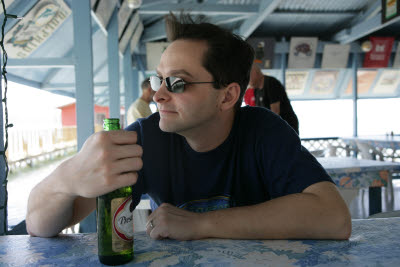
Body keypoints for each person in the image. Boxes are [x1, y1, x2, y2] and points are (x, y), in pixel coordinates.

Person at [26, 13, 351, 241]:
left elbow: (334, 218)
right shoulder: (143, 138)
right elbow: (40, 227)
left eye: (177, 83)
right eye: (158, 79)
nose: (158, 94)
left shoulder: (263, 131)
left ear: (227, 96)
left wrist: (202, 224)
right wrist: (65, 179)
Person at [249, 64, 300, 135]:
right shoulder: (256, 91)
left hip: (286, 127)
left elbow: (275, 112)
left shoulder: (271, 83)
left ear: (255, 73)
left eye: (249, 75)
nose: (247, 79)